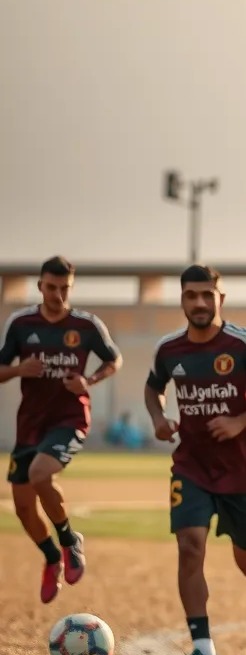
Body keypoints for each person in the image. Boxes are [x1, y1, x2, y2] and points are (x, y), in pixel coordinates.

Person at [144, 264, 246, 655]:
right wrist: (159, 417)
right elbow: (152, 386)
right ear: (182, 299)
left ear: (220, 298)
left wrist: (241, 420)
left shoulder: (245, 342)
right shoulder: (169, 349)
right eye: (191, 295)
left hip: (240, 469)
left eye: (206, 295)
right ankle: (203, 651)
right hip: (191, 465)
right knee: (190, 547)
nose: (199, 303)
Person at [0, 256, 122, 604]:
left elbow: (114, 360)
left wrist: (90, 381)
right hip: (30, 426)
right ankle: (52, 558)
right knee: (23, 507)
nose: (57, 294)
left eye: (64, 288)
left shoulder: (86, 326)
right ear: (40, 286)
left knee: (41, 474)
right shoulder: (22, 323)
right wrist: (19, 369)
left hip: (69, 420)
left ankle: (70, 541)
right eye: (51, 287)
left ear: (71, 287)